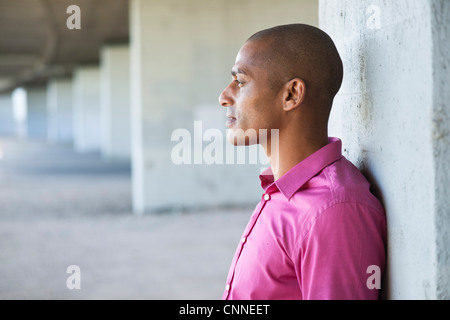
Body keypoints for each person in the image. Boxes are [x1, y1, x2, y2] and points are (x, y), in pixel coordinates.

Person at [218, 24, 387, 300]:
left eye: (240, 81)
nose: (224, 97)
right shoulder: (284, 191)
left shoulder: (334, 210)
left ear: (292, 94)